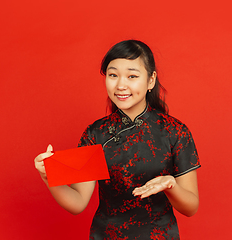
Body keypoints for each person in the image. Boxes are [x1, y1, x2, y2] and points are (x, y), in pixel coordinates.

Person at [34, 40, 201, 239]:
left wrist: (171, 184)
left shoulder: (174, 131)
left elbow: (191, 207)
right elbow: (78, 202)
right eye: (113, 75)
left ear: (150, 80)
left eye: (132, 76)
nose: (121, 85)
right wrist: (49, 177)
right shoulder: (96, 133)